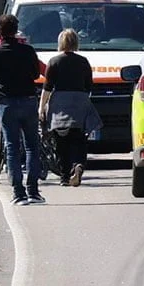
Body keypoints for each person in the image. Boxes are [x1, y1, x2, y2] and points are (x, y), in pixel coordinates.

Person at [0, 14, 47, 205]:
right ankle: (33, 191)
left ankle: (18, 193)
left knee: (12, 147)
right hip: (28, 99)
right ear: (16, 29)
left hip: (6, 103)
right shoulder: (28, 50)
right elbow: (36, 73)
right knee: (32, 146)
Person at [40, 28, 101, 187]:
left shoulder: (54, 62)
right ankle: (79, 164)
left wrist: (41, 108)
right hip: (79, 101)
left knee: (61, 141)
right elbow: (88, 86)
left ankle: (65, 176)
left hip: (60, 102)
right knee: (79, 138)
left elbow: (47, 88)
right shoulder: (83, 61)